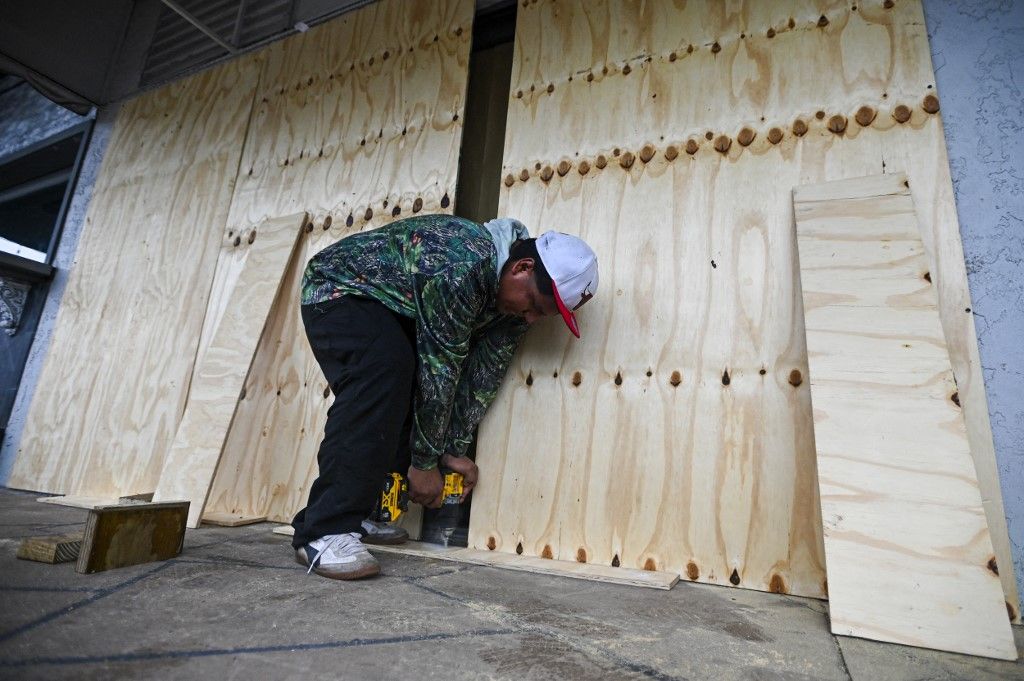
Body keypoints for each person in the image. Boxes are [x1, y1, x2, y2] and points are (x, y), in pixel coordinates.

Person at [292, 214, 599, 580]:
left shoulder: (515, 308)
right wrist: (424, 465)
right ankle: (323, 529)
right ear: (522, 266)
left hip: (393, 308)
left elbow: (481, 376)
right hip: (339, 291)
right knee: (383, 373)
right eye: (532, 304)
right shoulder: (461, 263)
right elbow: (441, 371)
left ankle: (361, 511)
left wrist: (452, 450)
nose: (530, 318)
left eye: (541, 316)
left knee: (404, 378)